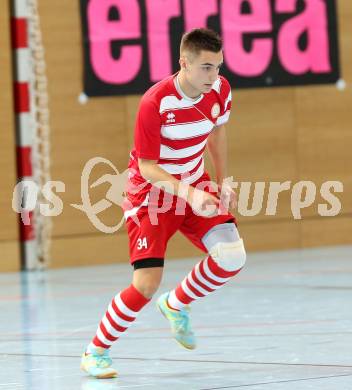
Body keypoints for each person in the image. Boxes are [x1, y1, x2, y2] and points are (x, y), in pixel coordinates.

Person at [80, 28, 246, 379]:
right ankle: (95, 351)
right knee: (146, 283)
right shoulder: (155, 102)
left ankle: (176, 304)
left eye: (217, 66)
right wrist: (190, 194)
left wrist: (222, 180)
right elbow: (147, 167)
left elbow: (217, 132)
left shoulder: (220, 90)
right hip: (151, 194)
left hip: (194, 183)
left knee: (232, 256)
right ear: (183, 63)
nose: (213, 75)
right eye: (204, 67)